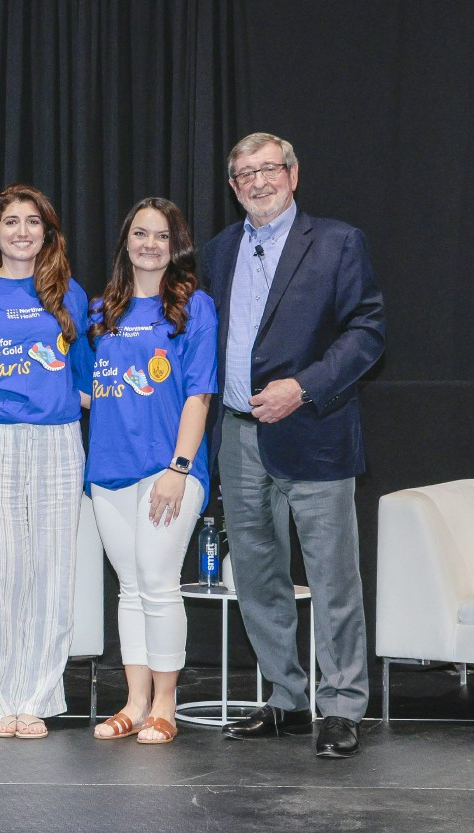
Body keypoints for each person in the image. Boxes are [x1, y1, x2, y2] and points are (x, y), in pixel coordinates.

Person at [204, 133, 385, 758]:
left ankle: (340, 707)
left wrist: (302, 389)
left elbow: (367, 333)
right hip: (238, 436)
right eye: (244, 174)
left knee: (333, 578)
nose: (258, 181)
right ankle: (285, 697)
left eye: (269, 169)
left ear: (293, 175)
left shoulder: (337, 242)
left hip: (314, 433)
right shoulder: (220, 250)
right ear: (233, 187)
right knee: (257, 577)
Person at [76, 198, 217, 745]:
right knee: (130, 589)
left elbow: (199, 395)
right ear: (126, 242)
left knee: (158, 583)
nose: (150, 244)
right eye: (140, 233)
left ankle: (165, 704)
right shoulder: (98, 312)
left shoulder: (193, 307)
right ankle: (135, 702)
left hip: (170, 470)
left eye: (162, 236)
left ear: (176, 245)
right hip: (108, 470)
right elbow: (90, 391)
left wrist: (179, 467)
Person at [0, 184, 87, 739]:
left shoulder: (68, 293)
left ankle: (36, 698)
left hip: (57, 440)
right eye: (12, 222)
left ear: (47, 234)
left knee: (50, 572)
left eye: (34, 222)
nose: (23, 231)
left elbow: (83, 378)